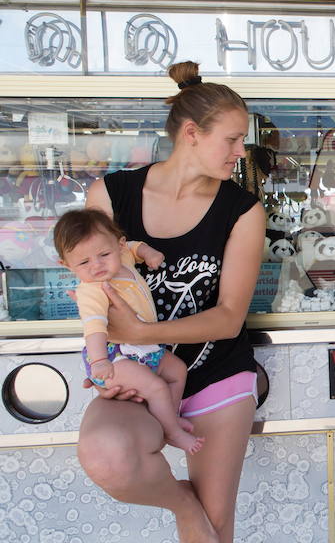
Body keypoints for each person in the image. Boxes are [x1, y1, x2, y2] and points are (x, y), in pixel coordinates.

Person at [76, 60, 265, 543]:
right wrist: (107, 355)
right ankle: (183, 503)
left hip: (215, 371)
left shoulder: (241, 209)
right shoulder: (113, 193)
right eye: (233, 139)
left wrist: (142, 333)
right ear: (191, 133)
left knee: (216, 527)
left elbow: (227, 319)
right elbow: (90, 279)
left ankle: (198, 514)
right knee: (107, 456)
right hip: (138, 372)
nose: (241, 153)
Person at [55, 209, 204, 455]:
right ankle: (171, 432)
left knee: (177, 371)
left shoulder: (122, 258)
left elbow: (135, 247)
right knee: (156, 387)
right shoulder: (91, 290)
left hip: (144, 348)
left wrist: (148, 253)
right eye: (83, 262)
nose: (97, 265)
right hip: (115, 356)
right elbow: (93, 327)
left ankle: (171, 417)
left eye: (104, 254)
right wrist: (100, 361)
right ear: (66, 265)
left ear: (118, 244)